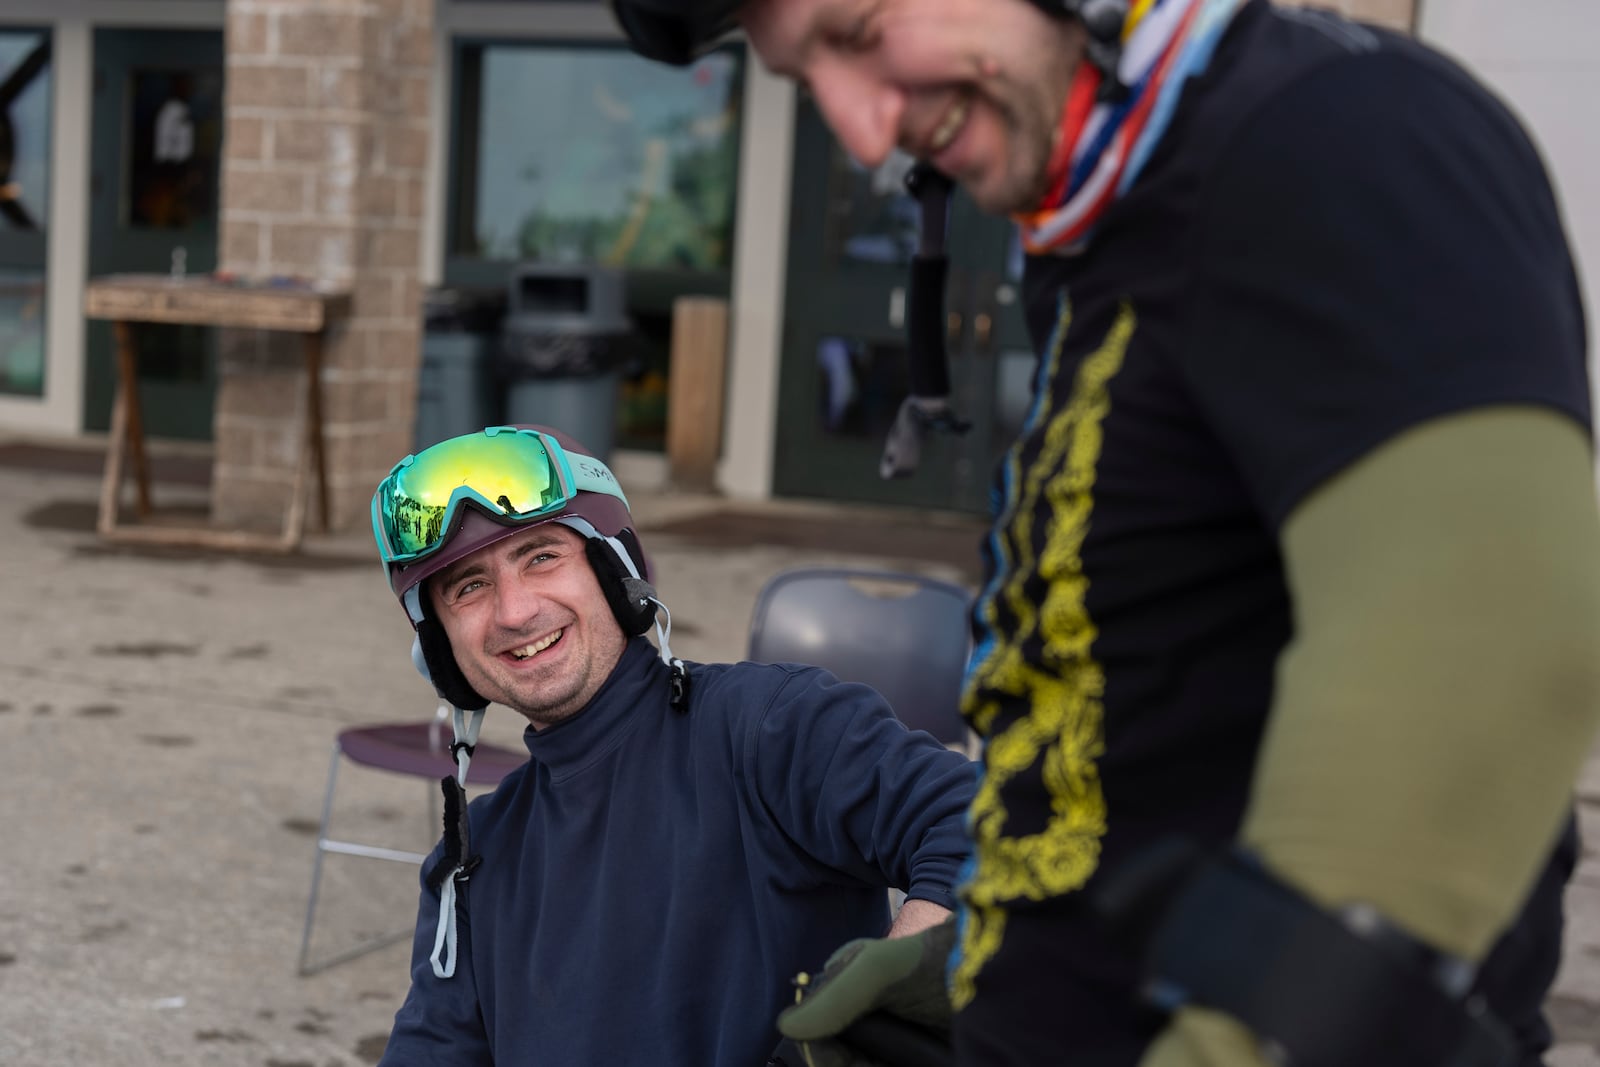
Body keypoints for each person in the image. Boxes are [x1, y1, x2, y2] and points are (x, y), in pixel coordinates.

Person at [608, 1, 1600, 1065]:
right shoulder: (1121, 219)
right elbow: (1169, 705)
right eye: (808, 80)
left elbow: (1479, 656)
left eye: (856, 29)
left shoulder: (1334, 136)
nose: (860, 130)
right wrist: (983, 962)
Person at [368, 424, 977, 1066]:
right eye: (469, 587)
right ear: (439, 647)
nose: (516, 612)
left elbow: (987, 831)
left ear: (614, 569)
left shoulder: (771, 727)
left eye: (542, 556)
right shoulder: (472, 863)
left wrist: (873, 1021)